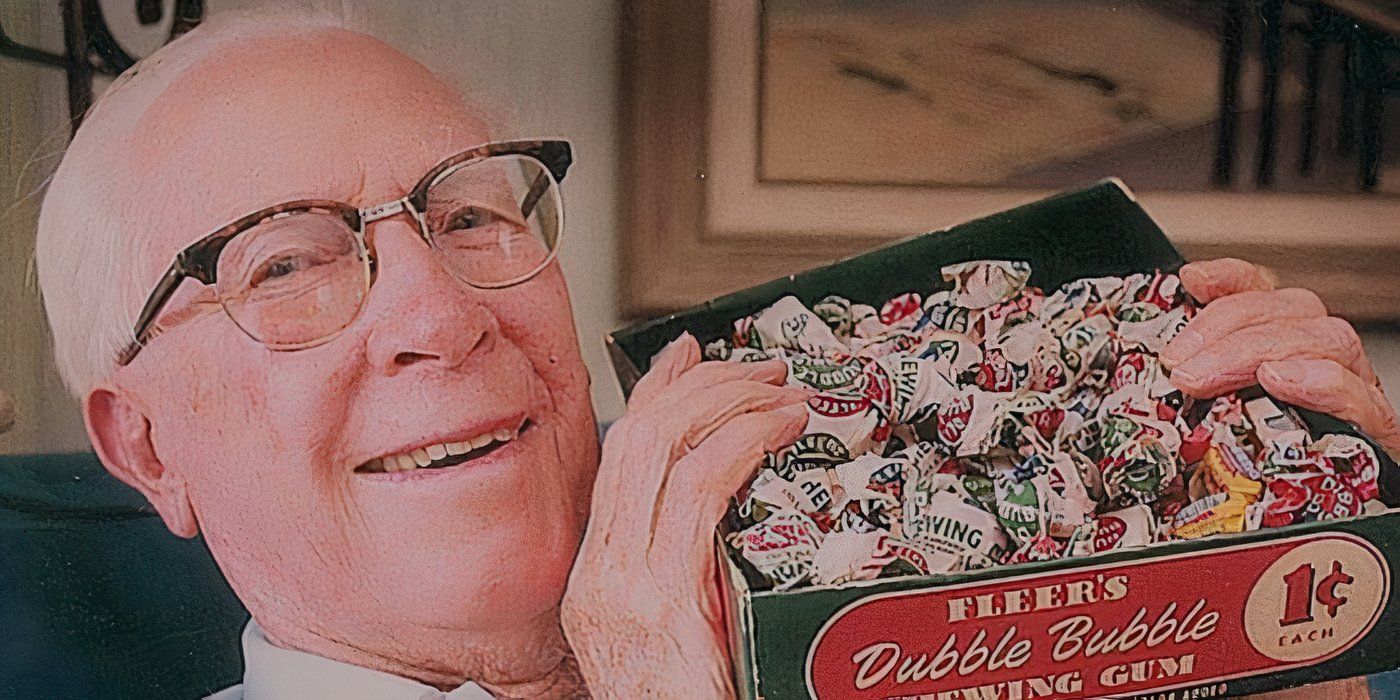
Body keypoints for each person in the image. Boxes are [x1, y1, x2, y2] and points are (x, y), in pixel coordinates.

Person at [22, 11, 1397, 700]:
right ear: (146, 444)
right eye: (284, 265)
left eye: (470, 215)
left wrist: (1296, 609)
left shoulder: (926, 598)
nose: (440, 316)